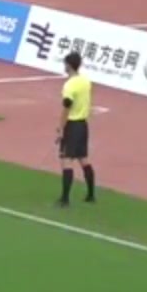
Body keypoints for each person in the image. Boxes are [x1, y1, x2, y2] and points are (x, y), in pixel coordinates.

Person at [56, 49, 94, 207]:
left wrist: (60, 127)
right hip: (83, 124)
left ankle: (65, 199)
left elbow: (67, 107)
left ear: (69, 65)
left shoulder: (69, 85)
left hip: (72, 125)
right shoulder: (86, 81)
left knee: (66, 160)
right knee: (83, 159)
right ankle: (91, 194)